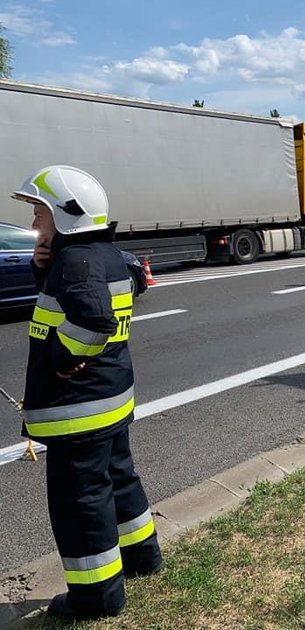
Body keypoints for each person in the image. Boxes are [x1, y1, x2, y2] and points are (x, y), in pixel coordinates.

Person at [11, 165, 162, 621]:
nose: (35, 223)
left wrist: (60, 357)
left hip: (77, 409)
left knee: (81, 501)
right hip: (109, 399)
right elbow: (91, 303)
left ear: (64, 214)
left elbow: (93, 321)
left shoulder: (75, 262)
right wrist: (44, 273)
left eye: (40, 212)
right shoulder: (103, 255)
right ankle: (141, 556)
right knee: (118, 479)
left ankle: (97, 597)